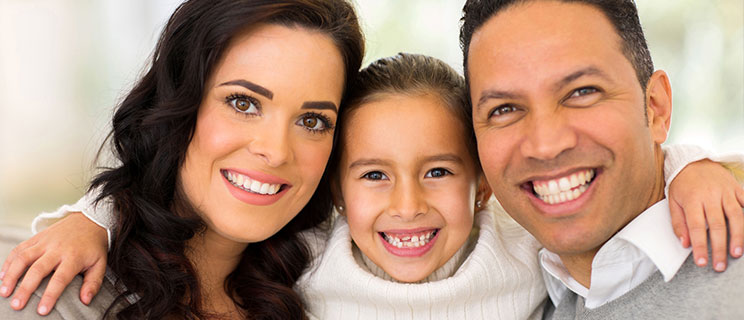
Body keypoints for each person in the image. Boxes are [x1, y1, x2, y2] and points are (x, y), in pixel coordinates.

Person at [4, 47, 743, 320]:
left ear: (483, 185)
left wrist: (694, 167)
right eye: (373, 176)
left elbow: (588, 182)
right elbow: (180, 205)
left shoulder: (520, 247)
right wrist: (89, 217)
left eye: (440, 171)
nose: (407, 206)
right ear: (335, 191)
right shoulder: (316, 248)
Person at [0, 0, 364, 318]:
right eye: (243, 103)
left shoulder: (331, 289)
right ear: (178, 105)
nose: (276, 151)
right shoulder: (51, 296)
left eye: (312, 121)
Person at [460, 0, 744, 318]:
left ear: (655, 108)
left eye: (582, 92)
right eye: (504, 109)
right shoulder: (511, 290)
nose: (545, 146)